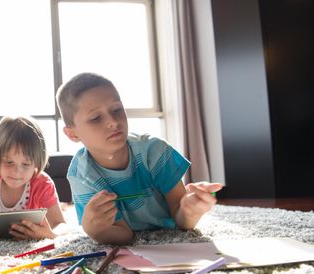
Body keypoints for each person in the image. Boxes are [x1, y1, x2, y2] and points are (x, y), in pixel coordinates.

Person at [56, 72, 223, 245]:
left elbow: (180, 220)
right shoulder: (81, 175)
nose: (113, 121)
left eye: (117, 109)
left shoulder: (154, 150)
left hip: (169, 229)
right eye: (96, 118)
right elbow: (124, 235)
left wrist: (189, 211)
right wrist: (96, 231)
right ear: (72, 134)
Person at [0, 116, 68, 242]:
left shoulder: (43, 183)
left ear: (36, 163)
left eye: (25, 164)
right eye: (9, 162)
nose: (17, 171)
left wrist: (49, 234)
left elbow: (61, 224)